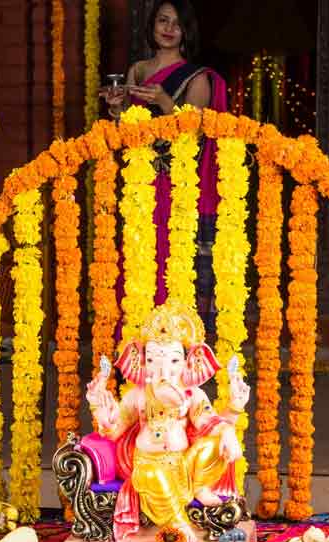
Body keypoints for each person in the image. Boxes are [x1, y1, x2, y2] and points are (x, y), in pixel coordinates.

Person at [101, 0, 227, 329]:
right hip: (139, 181)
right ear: (152, 25)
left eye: (177, 24)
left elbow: (193, 135)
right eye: (163, 21)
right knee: (135, 257)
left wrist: (164, 102)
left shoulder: (197, 78)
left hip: (174, 183)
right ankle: (131, 343)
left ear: (186, 32)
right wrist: (116, 110)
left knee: (169, 261)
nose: (169, 29)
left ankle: (170, 348)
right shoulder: (138, 70)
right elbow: (127, 130)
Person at [85, 301, 250, 542]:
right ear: (142, 362)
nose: (164, 370)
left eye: (173, 361)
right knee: (154, 476)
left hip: (184, 464)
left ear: (189, 363)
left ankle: (199, 487)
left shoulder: (193, 394)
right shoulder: (138, 395)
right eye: (153, 360)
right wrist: (100, 408)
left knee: (215, 444)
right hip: (148, 464)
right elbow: (114, 431)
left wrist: (232, 417)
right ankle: (177, 523)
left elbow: (209, 422)